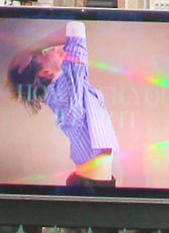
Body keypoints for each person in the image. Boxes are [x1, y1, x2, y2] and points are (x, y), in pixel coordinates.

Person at [6, 24, 118, 185]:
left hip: (93, 184)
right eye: (44, 53)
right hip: (90, 187)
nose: (53, 48)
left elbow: (73, 34)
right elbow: (76, 29)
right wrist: (29, 50)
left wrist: (29, 51)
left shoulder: (67, 84)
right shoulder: (65, 91)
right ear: (45, 73)